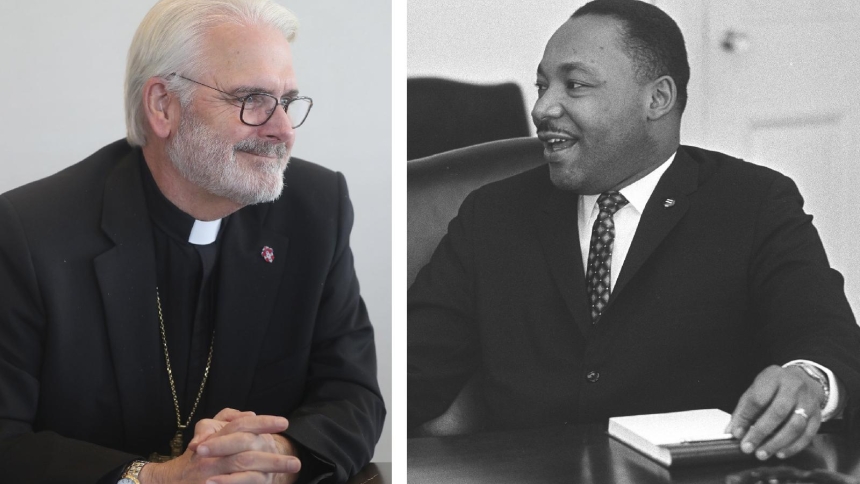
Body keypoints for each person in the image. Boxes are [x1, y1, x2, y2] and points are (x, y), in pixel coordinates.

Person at [408, 0, 860, 463]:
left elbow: (825, 337)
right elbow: (411, 370)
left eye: (576, 85)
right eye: (542, 85)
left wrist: (810, 379)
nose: (542, 108)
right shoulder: (493, 215)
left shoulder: (754, 203)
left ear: (657, 99)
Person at [0, 0, 385, 483]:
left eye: (286, 101)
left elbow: (353, 394)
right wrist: (155, 479)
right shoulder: (30, 231)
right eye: (252, 99)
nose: (283, 130)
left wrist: (273, 454)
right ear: (163, 105)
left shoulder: (316, 207)